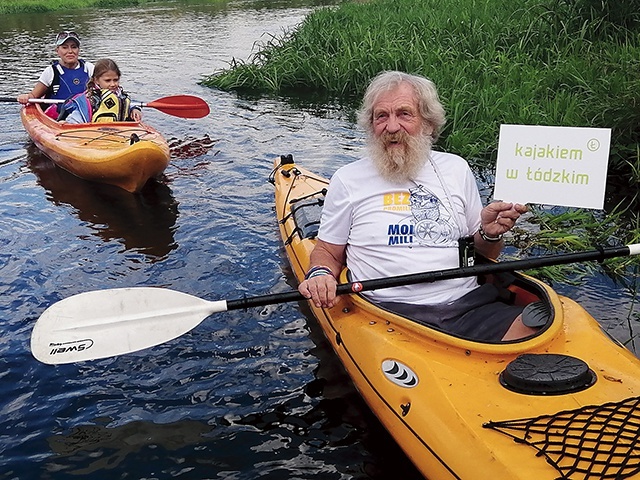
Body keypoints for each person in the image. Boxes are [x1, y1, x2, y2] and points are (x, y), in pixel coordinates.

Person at [297, 71, 534, 342]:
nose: (392, 126)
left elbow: (480, 253)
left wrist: (491, 232)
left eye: (404, 114)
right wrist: (320, 273)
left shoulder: (456, 168)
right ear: (371, 125)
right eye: (381, 116)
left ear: (428, 124)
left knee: (536, 329)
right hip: (386, 314)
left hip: (470, 306)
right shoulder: (348, 179)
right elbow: (327, 250)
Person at [17, 31, 94, 119]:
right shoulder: (51, 71)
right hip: (58, 119)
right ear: (57, 51)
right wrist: (26, 97)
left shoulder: (89, 68)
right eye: (65, 47)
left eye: (74, 47)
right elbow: (34, 96)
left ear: (78, 50)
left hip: (86, 117)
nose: (70, 51)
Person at [57, 58, 142, 124]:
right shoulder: (89, 99)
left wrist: (135, 109)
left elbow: (128, 103)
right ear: (96, 80)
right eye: (107, 80)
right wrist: (69, 123)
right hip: (95, 137)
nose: (113, 84)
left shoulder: (120, 95)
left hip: (120, 134)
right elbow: (78, 116)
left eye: (115, 80)